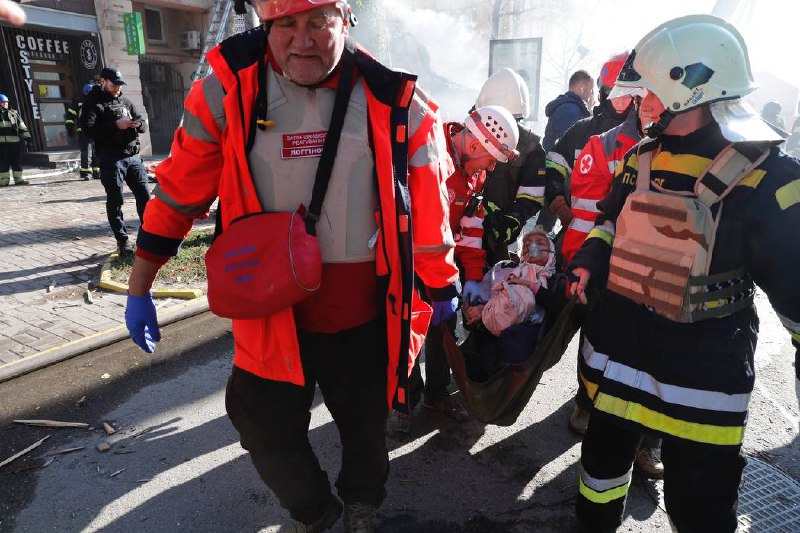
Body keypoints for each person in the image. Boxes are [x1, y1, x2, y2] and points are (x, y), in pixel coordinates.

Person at [124, 1, 460, 531]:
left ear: (345, 21)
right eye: (286, 23)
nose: (302, 39)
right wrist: (139, 285)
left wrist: (441, 285)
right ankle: (314, 511)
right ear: (266, 24)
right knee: (262, 424)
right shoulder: (226, 87)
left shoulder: (397, 99)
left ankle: (363, 503)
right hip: (270, 311)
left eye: (317, 22)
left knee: (366, 428)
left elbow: (428, 205)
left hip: (363, 313)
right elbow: (178, 192)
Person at [568, 15, 800, 531]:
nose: (640, 102)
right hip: (622, 357)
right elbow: (609, 221)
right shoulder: (640, 158)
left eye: (648, 91)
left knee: (699, 509)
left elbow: (795, 283)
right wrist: (588, 260)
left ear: (687, 88)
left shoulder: (768, 178)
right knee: (599, 479)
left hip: (704, 375)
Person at [392, 104, 520, 434]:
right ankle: (404, 402)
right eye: (490, 159)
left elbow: (470, 229)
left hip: (438, 266)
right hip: (404, 261)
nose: (491, 168)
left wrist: (474, 280)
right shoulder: (426, 152)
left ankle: (436, 395)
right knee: (403, 330)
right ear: (475, 145)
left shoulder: (475, 174)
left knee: (444, 326)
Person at [564, 88, 665, 479]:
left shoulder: (712, 155)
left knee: (659, 366)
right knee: (598, 343)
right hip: (612, 271)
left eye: (659, 98)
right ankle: (587, 403)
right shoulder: (618, 147)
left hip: (665, 286)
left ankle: (649, 443)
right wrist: (584, 263)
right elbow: (594, 214)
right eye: (645, 97)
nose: (650, 107)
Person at [544, 52, 632, 240]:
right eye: (613, 93)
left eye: (627, 95)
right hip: (578, 238)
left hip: (626, 242)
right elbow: (553, 166)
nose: (620, 101)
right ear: (602, 92)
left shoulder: (645, 136)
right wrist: (560, 205)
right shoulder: (582, 130)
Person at [473, 68, 548, 265]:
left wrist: (511, 220)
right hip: (464, 233)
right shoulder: (470, 130)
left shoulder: (531, 147)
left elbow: (531, 196)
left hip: (504, 242)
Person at [464, 227, 556, 380]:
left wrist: (531, 286)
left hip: (527, 330)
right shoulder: (507, 271)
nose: (533, 247)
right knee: (478, 347)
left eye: (540, 243)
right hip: (495, 323)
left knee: (513, 337)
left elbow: (555, 304)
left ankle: (502, 384)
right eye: (527, 245)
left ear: (552, 252)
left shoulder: (554, 280)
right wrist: (482, 309)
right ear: (522, 256)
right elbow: (491, 296)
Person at [79, 67, 150, 257]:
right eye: (114, 84)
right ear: (103, 81)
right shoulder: (93, 103)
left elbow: (142, 123)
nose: (118, 88)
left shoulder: (125, 100)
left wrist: (138, 124)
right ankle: (123, 241)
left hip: (133, 157)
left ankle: (147, 237)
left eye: (120, 84)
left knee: (145, 197)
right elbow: (87, 129)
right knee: (116, 200)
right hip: (112, 159)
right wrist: (114, 126)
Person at [542, 69, 593, 152]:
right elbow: (569, 144)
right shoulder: (569, 110)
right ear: (581, 88)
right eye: (591, 89)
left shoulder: (571, 107)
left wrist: (588, 110)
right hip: (560, 163)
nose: (591, 93)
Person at [66, 83, 100, 180]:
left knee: (97, 152)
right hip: (84, 131)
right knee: (86, 152)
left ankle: (96, 172)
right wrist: (70, 127)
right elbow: (70, 115)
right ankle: (86, 173)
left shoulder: (97, 101)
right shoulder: (79, 102)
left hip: (96, 131)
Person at [0, 93, 32, 186]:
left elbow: (22, 126)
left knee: (16, 161)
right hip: (1, 144)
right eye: (3, 102)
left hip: (14, 143)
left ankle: (19, 179)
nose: (6, 104)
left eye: (6, 102)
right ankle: (4, 181)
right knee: (3, 162)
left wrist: (28, 139)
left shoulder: (14, 113)